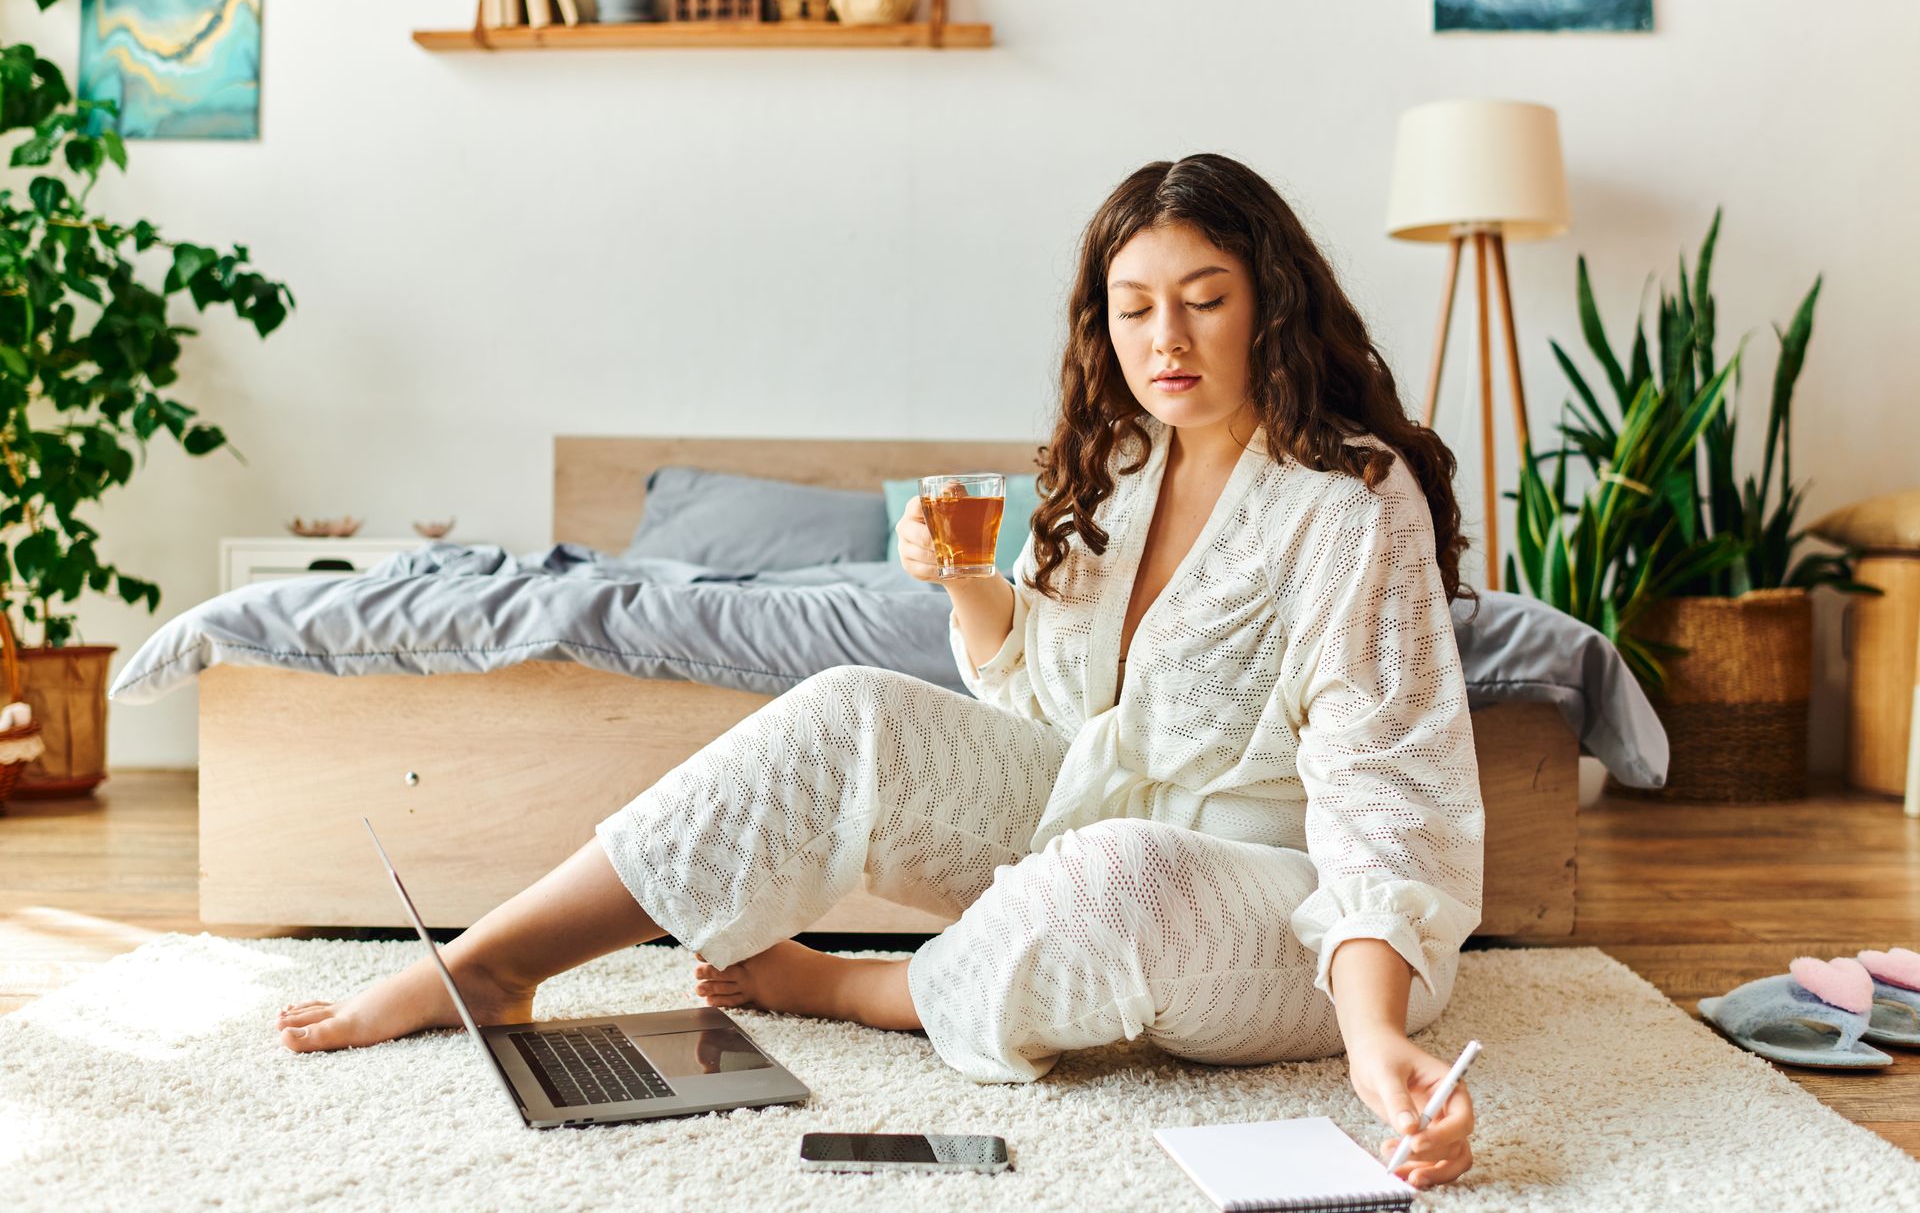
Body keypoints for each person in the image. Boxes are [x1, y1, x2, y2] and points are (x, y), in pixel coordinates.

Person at [274, 153, 1483, 1190]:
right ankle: (488, 965)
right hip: (1090, 829)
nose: (1164, 339)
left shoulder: (1351, 502)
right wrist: (967, 585)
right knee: (854, 705)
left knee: (1125, 868)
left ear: (1271, 304)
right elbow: (1056, 712)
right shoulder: (1121, 468)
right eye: (1133, 307)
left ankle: (858, 990)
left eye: (1204, 300)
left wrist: (1372, 1033)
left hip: (1308, 919)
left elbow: (1385, 787)